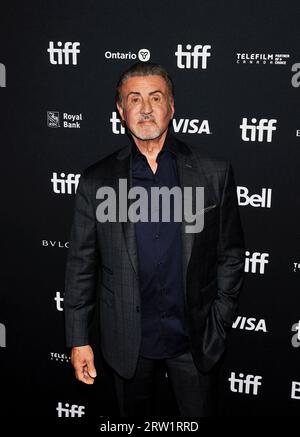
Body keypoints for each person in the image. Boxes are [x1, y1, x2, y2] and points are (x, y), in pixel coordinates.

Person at [64, 61, 245, 417]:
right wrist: (78, 338)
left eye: (156, 97)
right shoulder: (97, 182)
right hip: (126, 341)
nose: (146, 108)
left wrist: (219, 319)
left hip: (194, 342)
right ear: (121, 110)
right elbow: (81, 267)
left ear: (172, 106)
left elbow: (232, 254)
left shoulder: (212, 173)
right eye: (135, 98)